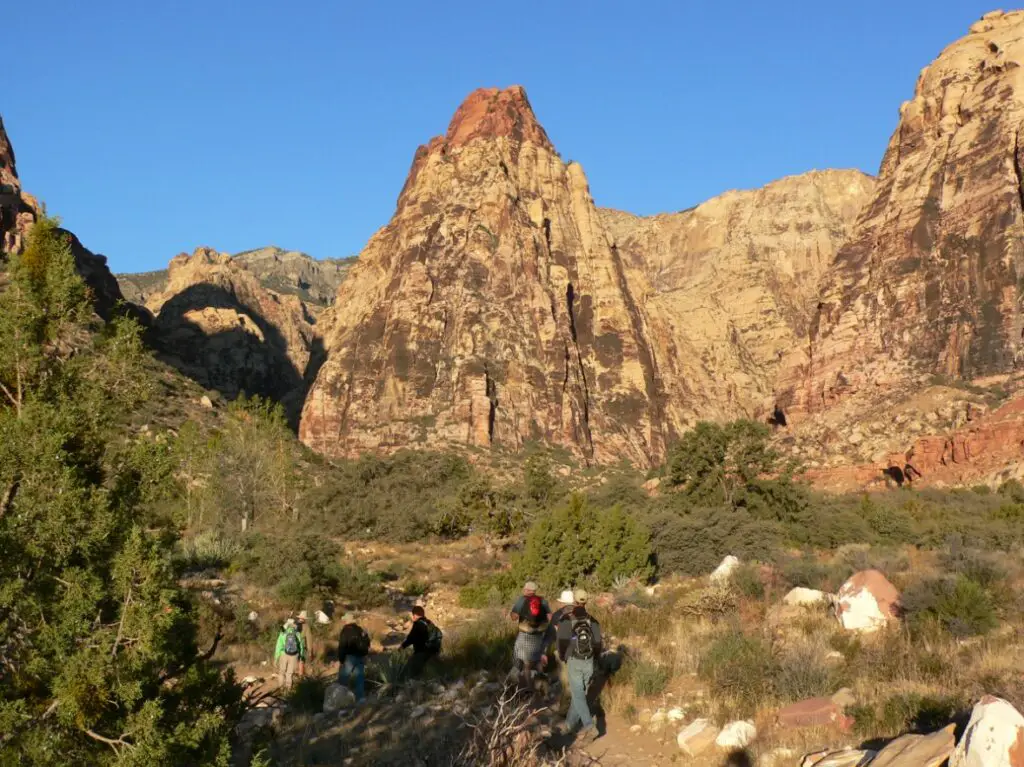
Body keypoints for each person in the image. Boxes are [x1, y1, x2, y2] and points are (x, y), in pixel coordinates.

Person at [557, 590, 602, 741]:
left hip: (574, 661)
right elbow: (597, 644)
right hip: (588, 661)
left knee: (577, 695)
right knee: (579, 694)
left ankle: (590, 726)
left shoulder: (566, 619)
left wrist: (564, 656)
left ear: (574, 602)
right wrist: (593, 659)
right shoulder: (593, 620)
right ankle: (569, 726)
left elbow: (562, 642)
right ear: (585, 602)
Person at [509, 581, 551, 689]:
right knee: (538, 662)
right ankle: (543, 688)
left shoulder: (521, 600)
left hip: (525, 636)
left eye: (525, 589)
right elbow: (550, 617)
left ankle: (529, 688)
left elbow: (513, 617)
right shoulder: (543, 601)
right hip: (538, 636)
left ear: (527, 590)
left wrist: (515, 614)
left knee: (527, 664)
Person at [400, 606, 442, 679]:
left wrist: (402, 647)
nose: (413, 618)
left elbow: (411, 638)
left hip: (421, 653)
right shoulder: (429, 623)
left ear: (415, 615)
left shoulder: (418, 624)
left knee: (408, 673)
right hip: (433, 652)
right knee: (426, 674)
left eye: (413, 615)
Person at [337, 614, 371, 703]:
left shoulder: (346, 630)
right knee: (359, 678)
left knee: (343, 679)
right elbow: (367, 642)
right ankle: (360, 699)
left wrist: (341, 659)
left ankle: (339, 699)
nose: (343, 621)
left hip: (350, 657)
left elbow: (342, 646)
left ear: (348, 620)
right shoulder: (359, 629)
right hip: (360, 656)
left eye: (344, 620)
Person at [274, 618, 306, 690]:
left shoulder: (283, 633)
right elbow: (301, 646)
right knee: (289, 674)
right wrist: (301, 656)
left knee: (281, 672)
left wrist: (276, 658)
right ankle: (288, 691)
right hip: (294, 655)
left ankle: (281, 689)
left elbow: (278, 646)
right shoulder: (297, 633)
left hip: (283, 654)